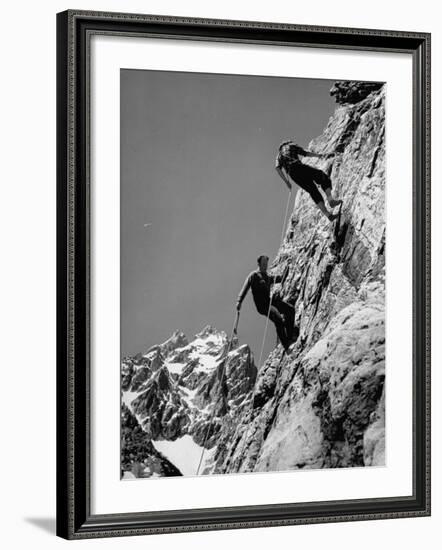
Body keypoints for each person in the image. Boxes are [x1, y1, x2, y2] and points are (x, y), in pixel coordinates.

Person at [236, 255, 297, 352]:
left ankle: (290, 336)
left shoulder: (268, 277)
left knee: (290, 309)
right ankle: (286, 346)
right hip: (262, 305)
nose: (265, 265)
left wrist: (288, 267)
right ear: (259, 264)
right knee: (278, 319)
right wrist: (239, 301)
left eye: (266, 264)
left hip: (269, 301)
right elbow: (245, 288)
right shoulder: (254, 275)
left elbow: (280, 278)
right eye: (263, 264)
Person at [275, 140, 342, 221]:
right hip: (298, 167)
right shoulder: (290, 146)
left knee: (313, 191)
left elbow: (278, 168)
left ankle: (328, 215)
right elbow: (306, 153)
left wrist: (287, 182)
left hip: (293, 175)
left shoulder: (279, 155)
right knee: (321, 176)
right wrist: (319, 155)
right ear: (287, 143)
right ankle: (331, 200)